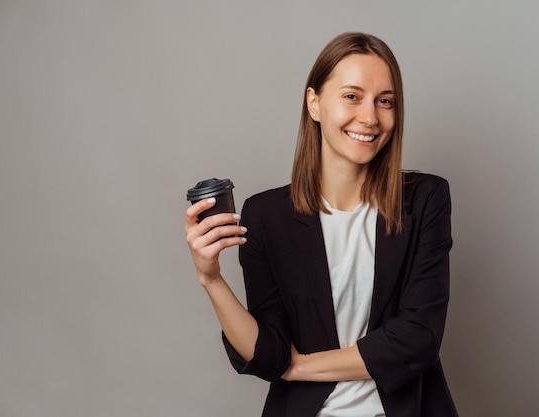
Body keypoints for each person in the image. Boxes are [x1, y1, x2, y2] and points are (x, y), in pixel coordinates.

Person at [185, 32, 458, 417]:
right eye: (352, 96)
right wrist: (211, 279)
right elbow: (268, 354)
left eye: (385, 101)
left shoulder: (425, 199)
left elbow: (418, 338)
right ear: (314, 103)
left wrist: (299, 366)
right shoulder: (266, 215)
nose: (369, 117)